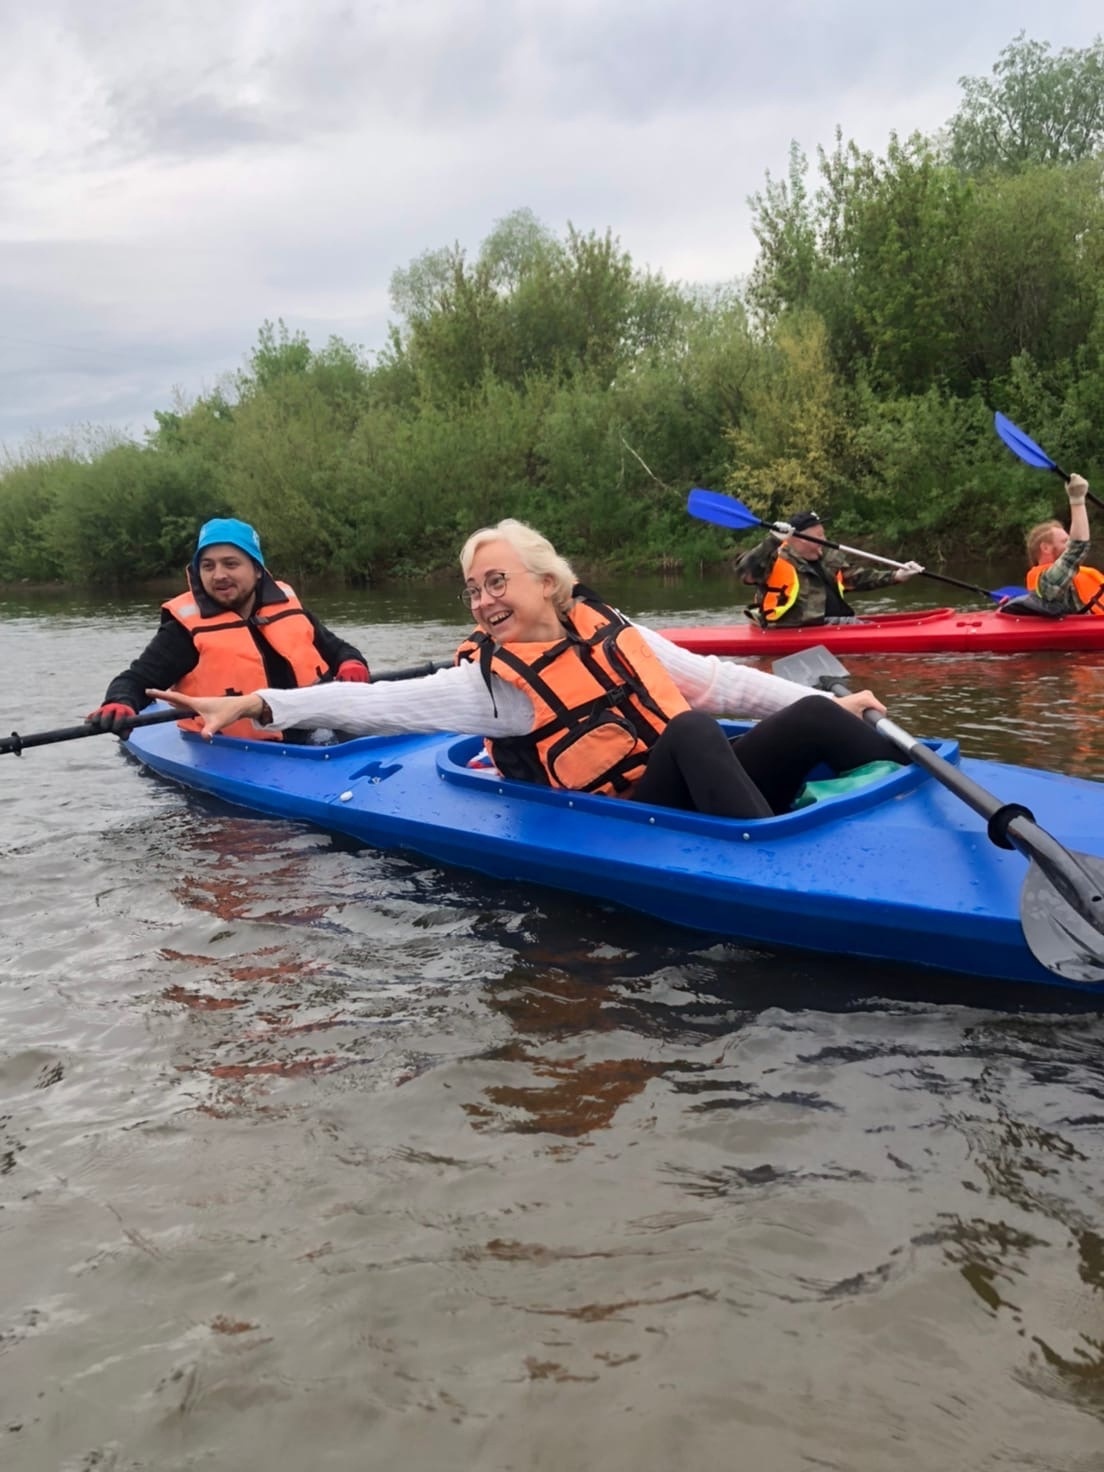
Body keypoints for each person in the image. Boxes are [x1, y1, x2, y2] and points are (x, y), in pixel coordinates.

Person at [149, 518, 905, 822]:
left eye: (497, 582)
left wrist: (836, 705)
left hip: (696, 791)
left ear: (548, 581)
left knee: (808, 714)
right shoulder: (493, 684)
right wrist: (256, 701)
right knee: (696, 731)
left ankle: (915, 779)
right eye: (474, 590)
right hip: (638, 817)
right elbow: (377, 704)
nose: (482, 600)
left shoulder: (612, 627)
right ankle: (770, 861)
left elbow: (720, 680)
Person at [86, 517, 371, 741]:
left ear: (257, 569)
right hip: (234, 747)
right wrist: (120, 702)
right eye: (207, 566)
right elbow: (136, 680)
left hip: (316, 733)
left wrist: (352, 662)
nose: (218, 575)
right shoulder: (184, 631)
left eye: (231, 564)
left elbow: (338, 650)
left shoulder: (289, 609)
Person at [736, 510, 924, 628]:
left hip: (835, 624)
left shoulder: (826, 558)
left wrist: (897, 575)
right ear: (801, 538)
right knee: (862, 627)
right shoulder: (774, 559)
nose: (824, 540)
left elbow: (855, 578)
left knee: (864, 624)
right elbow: (745, 572)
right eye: (819, 535)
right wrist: (772, 540)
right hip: (798, 628)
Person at [1023, 474, 1104, 616]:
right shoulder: (1045, 584)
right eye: (1065, 541)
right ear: (1045, 548)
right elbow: (1076, 550)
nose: (1069, 544)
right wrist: (1077, 500)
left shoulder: (1075, 575)